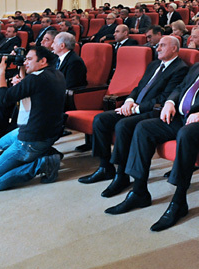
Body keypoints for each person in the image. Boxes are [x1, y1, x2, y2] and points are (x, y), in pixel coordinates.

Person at [105, 30, 199, 229]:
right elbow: (180, 88)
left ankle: (179, 200)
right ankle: (139, 191)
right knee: (143, 128)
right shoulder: (198, 66)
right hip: (180, 116)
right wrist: (170, 103)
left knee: (186, 134)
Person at [78, 36, 189, 197]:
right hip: (135, 106)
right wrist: (129, 101)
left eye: (162, 46)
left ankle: (121, 174)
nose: (157, 48)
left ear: (174, 49)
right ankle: (105, 167)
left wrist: (137, 108)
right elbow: (139, 87)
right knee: (101, 120)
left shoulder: (180, 68)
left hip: (152, 111)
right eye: (158, 46)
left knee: (123, 125)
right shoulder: (154, 65)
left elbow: (164, 98)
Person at [0, 46, 66, 191]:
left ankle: (41, 163)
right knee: (2, 142)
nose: (25, 62)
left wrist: (1, 73)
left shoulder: (34, 80)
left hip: (30, 140)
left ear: (43, 61)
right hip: (49, 133)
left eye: (29, 59)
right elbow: (34, 91)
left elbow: (2, 99)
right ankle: (47, 151)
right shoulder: (56, 74)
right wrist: (22, 80)